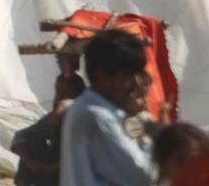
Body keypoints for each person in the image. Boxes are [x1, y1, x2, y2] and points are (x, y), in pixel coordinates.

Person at [59, 29, 154, 186]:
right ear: (101, 75)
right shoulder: (98, 116)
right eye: (128, 76)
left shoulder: (91, 109)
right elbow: (142, 177)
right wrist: (143, 122)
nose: (135, 84)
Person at [12, 74, 86, 186]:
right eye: (58, 91)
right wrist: (31, 162)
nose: (59, 97)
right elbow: (21, 135)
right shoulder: (51, 119)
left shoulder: (86, 120)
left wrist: (54, 168)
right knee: (33, 140)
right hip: (55, 173)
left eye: (65, 93)